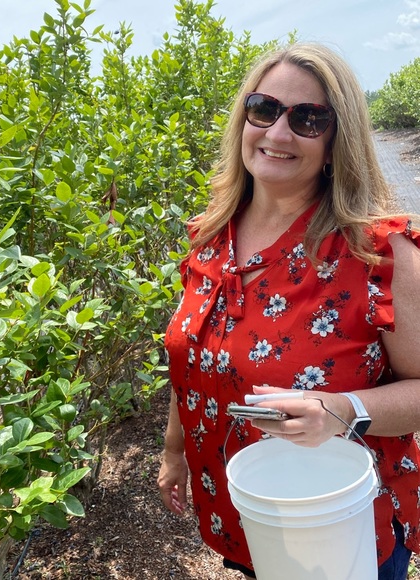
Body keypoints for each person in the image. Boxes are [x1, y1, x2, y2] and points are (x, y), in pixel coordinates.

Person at [157, 42, 420, 580]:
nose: (278, 133)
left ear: (336, 143)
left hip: (339, 528)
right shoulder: (210, 235)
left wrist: (341, 409)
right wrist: (174, 452)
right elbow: (193, 359)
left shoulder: (377, 253)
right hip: (248, 515)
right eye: (264, 109)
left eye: (308, 119)